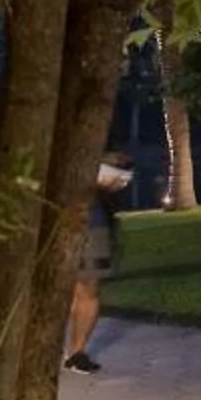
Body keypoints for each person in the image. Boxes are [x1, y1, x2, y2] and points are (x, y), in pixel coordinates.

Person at [66, 157, 134, 373]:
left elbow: (122, 168)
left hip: (92, 221)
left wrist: (114, 175)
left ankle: (77, 353)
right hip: (51, 220)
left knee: (89, 286)